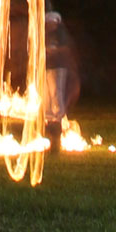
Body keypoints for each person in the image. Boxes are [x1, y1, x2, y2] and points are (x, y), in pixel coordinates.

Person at [44, 9, 76, 155]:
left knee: (57, 93)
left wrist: (53, 52)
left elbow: (65, 49)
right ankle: (49, 122)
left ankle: (58, 123)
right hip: (47, 67)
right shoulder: (46, 33)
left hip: (58, 67)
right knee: (47, 95)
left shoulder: (60, 34)